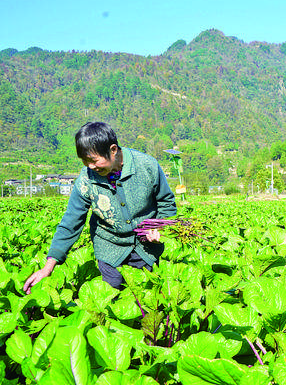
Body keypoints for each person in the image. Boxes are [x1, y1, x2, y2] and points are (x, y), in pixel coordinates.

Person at [23, 121, 177, 293]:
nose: (90, 166)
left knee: (146, 298)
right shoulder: (86, 179)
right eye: (85, 161)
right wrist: (48, 267)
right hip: (110, 249)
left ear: (113, 150)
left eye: (94, 160)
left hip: (146, 248)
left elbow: (166, 203)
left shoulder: (146, 166)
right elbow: (71, 221)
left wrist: (158, 228)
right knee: (112, 300)